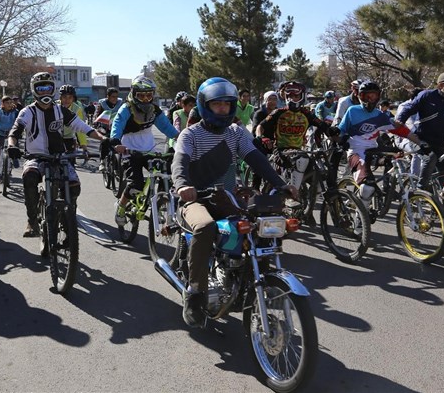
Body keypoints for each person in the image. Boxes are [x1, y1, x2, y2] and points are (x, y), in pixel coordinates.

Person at [173, 77, 299, 327]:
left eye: (227, 105)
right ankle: (195, 292)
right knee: (205, 227)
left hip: (226, 197)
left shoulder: (235, 133)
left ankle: (247, 280)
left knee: (258, 226)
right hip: (196, 198)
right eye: (217, 104)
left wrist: (280, 183)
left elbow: (255, 158)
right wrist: (182, 185)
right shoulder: (191, 134)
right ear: (204, 105)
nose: (223, 109)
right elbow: (180, 162)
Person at [6, 72, 104, 237]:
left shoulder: (61, 111)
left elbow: (84, 127)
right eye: (41, 88)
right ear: (34, 90)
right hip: (35, 157)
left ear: (53, 89)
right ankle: (32, 220)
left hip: (59, 156)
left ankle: (68, 221)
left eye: (48, 88)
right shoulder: (27, 112)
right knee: (29, 177)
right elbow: (14, 133)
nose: (45, 92)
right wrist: (11, 146)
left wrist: (104, 139)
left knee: (74, 187)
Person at [256, 81, 339, 223]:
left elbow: (322, 125)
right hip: (281, 151)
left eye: (296, 95)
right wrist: (261, 138)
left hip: (299, 151)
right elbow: (260, 127)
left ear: (302, 96)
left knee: (320, 175)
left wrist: (334, 133)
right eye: (290, 95)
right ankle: (291, 197)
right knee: (302, 159)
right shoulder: (279, 112)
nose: (293, 98)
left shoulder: (306, 113)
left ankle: (307, 209)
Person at [338, 81, 425, 204]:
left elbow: (401, 130)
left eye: (374, 96)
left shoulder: (380, 115)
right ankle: (360, 217)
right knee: (367, 187)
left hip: (373, 151)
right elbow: (340, 131)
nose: (371, 100)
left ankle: (385, 189)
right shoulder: (352, 111)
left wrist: (421, 143)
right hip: (356, 152)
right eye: (367, 96)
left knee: (392, 160)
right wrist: (339, 140)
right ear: (360, 96)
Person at [109, 76, 180, 225]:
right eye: (141, 95)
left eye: (149, 95)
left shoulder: (155, 110)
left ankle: (158, 206)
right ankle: (121, 207)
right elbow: (117, 124)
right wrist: (115, 141)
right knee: (136, 184)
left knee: (165, 174)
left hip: (150, 148)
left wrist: (181, 138)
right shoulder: (126, 108)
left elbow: (167, 127)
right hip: (129, 149)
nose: (146, 99)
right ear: (133, 94)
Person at [58, 85, 88, 153]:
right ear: (60, 98)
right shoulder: (54, 106)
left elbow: (80, 128)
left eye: (70, 97)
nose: (67, 100)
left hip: (69, 138)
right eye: (64, 97)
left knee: (70, 161)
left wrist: (84, 146)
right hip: (55, 138)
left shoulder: (77, 109)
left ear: (73, 99)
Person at [96, 87, 124, 160]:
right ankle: (102, 161)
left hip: (117, 126)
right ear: (108, 96)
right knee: (105, 140)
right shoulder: (102, 104)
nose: (115, 99)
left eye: (116, 97)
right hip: (104, 126)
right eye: (113, 97)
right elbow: (97, 115)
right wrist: (96, 125)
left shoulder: (120, 104)